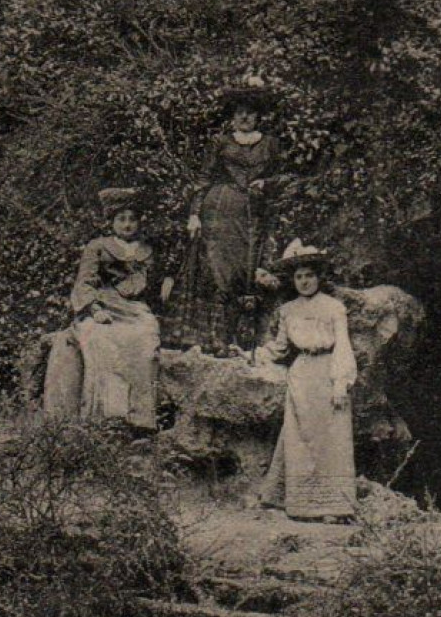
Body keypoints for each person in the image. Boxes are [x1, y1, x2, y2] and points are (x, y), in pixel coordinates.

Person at [164, 77, 290, 355]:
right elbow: (203, 178)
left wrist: (267, 184)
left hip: (255, 215)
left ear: (258, 116)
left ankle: (242, 339)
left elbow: (285, 177)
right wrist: (195, 214)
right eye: (239, 112)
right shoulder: (220, 142)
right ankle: (215, 340)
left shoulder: (270, 144)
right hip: (219, 212)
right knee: (219, 272)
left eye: (249, 112)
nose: (244, 117)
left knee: (246, 273)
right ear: (233, 116)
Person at [252, 240, 358, 523]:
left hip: (328, 370)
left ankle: (334, 506)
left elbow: (343, 346)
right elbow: (282, 347)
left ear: (319, 277)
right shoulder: (288, 310)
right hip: (301, 375)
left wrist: (340, 383)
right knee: (300, 438)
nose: (304, 281)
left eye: (309, 275)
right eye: (299, 277)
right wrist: (261, 354)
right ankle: (301, 504)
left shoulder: (334, 307)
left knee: (331, 438)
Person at [45, 187, 161, 431]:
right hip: (103, 303)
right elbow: (85, 281)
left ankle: (138, 416)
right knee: (99, 338)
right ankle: (105, 413)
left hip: (134, 308)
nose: (127, 225)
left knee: (146, 338)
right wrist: (94, 309)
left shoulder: (147, 250)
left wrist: (166, 283)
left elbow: (151, 285)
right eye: (121, 219)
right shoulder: (98, 247)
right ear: (111, 222)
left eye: (132, 219)